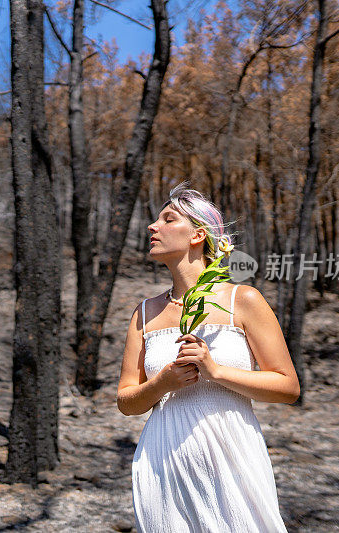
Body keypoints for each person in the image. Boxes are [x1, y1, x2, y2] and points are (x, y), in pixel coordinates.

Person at [116, 182, 299, 532]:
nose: (153, 227)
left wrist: (215, 371)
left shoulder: (242, 300)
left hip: (232, 456)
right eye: (156, 221)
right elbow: (126, 401)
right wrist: (162, 383)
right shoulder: (144, 312)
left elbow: (287, 387)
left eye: (168, 219)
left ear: (198, 234)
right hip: (162, 461)